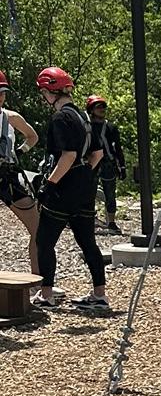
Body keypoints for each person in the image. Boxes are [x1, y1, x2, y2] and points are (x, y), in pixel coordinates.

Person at [32, 67, 109, 312]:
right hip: (85, 186)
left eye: (43, 92)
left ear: (50, 92)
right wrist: (84, 174)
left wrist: (50, 184)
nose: (43, 96)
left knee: (44, 240)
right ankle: (99, 295)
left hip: (64, 187)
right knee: (87, 241)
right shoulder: (83, 117)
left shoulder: (60, 118)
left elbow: (68, 155)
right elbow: (97, 153)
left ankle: (46, 295)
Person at [0, 70, 41, 275]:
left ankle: (38, 281)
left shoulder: (11, 117)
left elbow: (33, 137)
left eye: (2, 92)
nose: (1, 97)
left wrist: (19, 151)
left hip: (8, 177)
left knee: (38, 228)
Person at [84, 96, 126, 236]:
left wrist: (122, 166)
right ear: (91, 110)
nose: (102, 109)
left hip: (108, 163)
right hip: (92, 163)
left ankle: (111, 222)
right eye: (98, 107)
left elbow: (117, 148)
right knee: (89, 192)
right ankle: (89, 220)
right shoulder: (87, 127)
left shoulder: (111, 127)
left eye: (103, 107)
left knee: (110, 194)